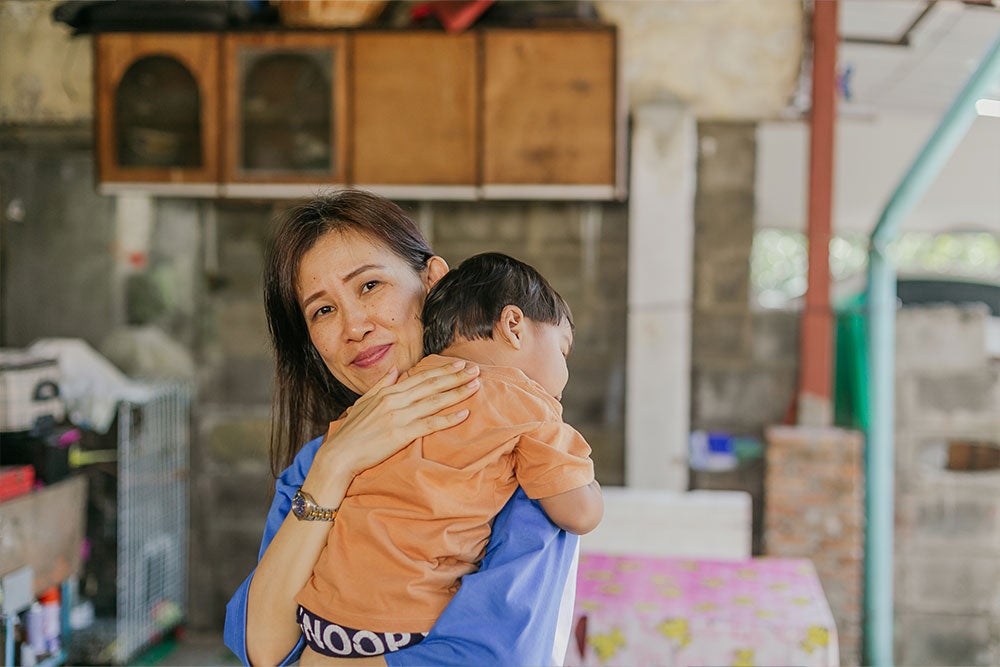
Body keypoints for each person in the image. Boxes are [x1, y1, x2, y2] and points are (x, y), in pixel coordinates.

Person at [223, 190, 587, 666]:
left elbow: (491, 657)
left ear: (433, 280)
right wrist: (336, 466)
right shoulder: (314, 464)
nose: (354, 325)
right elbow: (264, 647)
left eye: (370, 285)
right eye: (323, 310)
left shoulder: (518, 451)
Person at [295, 252, 604, 659]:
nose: (563, 377)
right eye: (562, 352)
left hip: (317, 618)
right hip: (398, 632)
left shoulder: (390, 397)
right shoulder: (528, 408)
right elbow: (579, 514)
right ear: (514, 326)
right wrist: (589, 481)